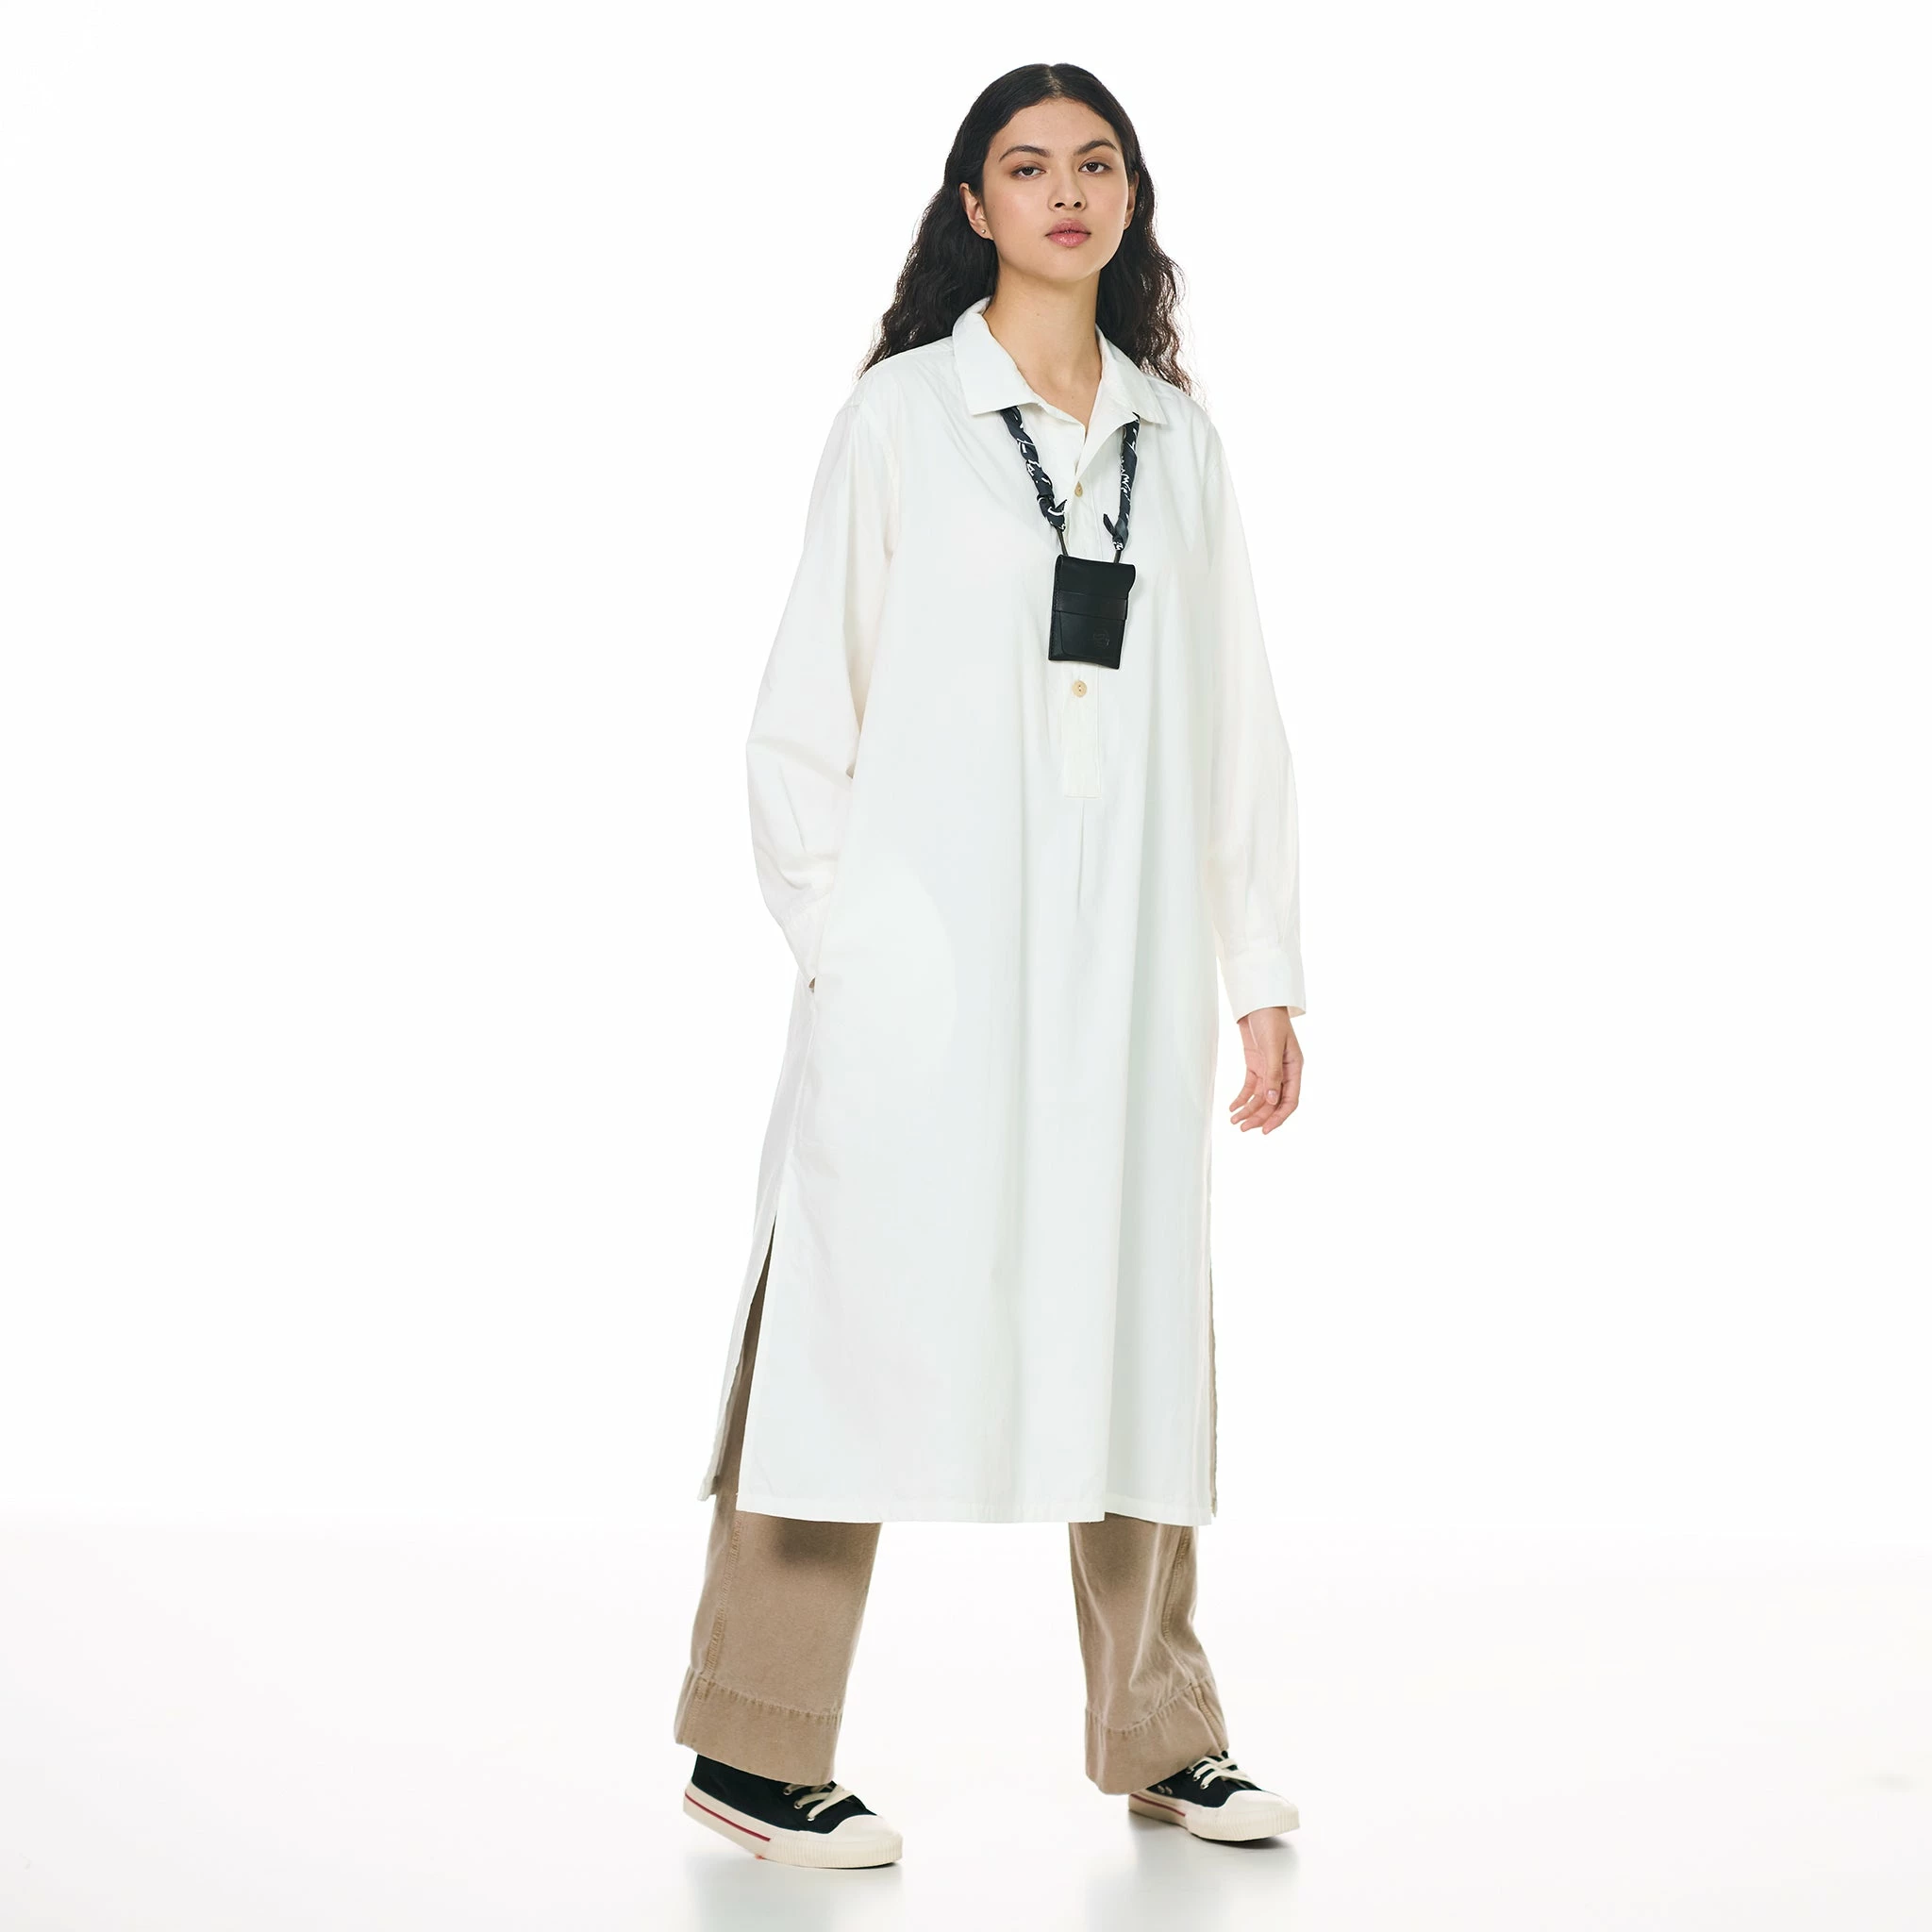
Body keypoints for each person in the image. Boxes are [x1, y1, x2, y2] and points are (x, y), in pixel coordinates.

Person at [674, 62, 1307, 1869]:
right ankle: (752, 1748)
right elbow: (804, 711)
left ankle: (1165, 1736)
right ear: (975, 205)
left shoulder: (1179, 446)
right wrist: (849, 946)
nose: (1066, 192)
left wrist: (1260, 967)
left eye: (1096, 163)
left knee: (1133, 1320)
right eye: (1027, 167)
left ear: (1132, 198)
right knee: (847, 1328)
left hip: (1124, 969)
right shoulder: (903, 417)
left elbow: (1240, 724)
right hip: (927, 973)